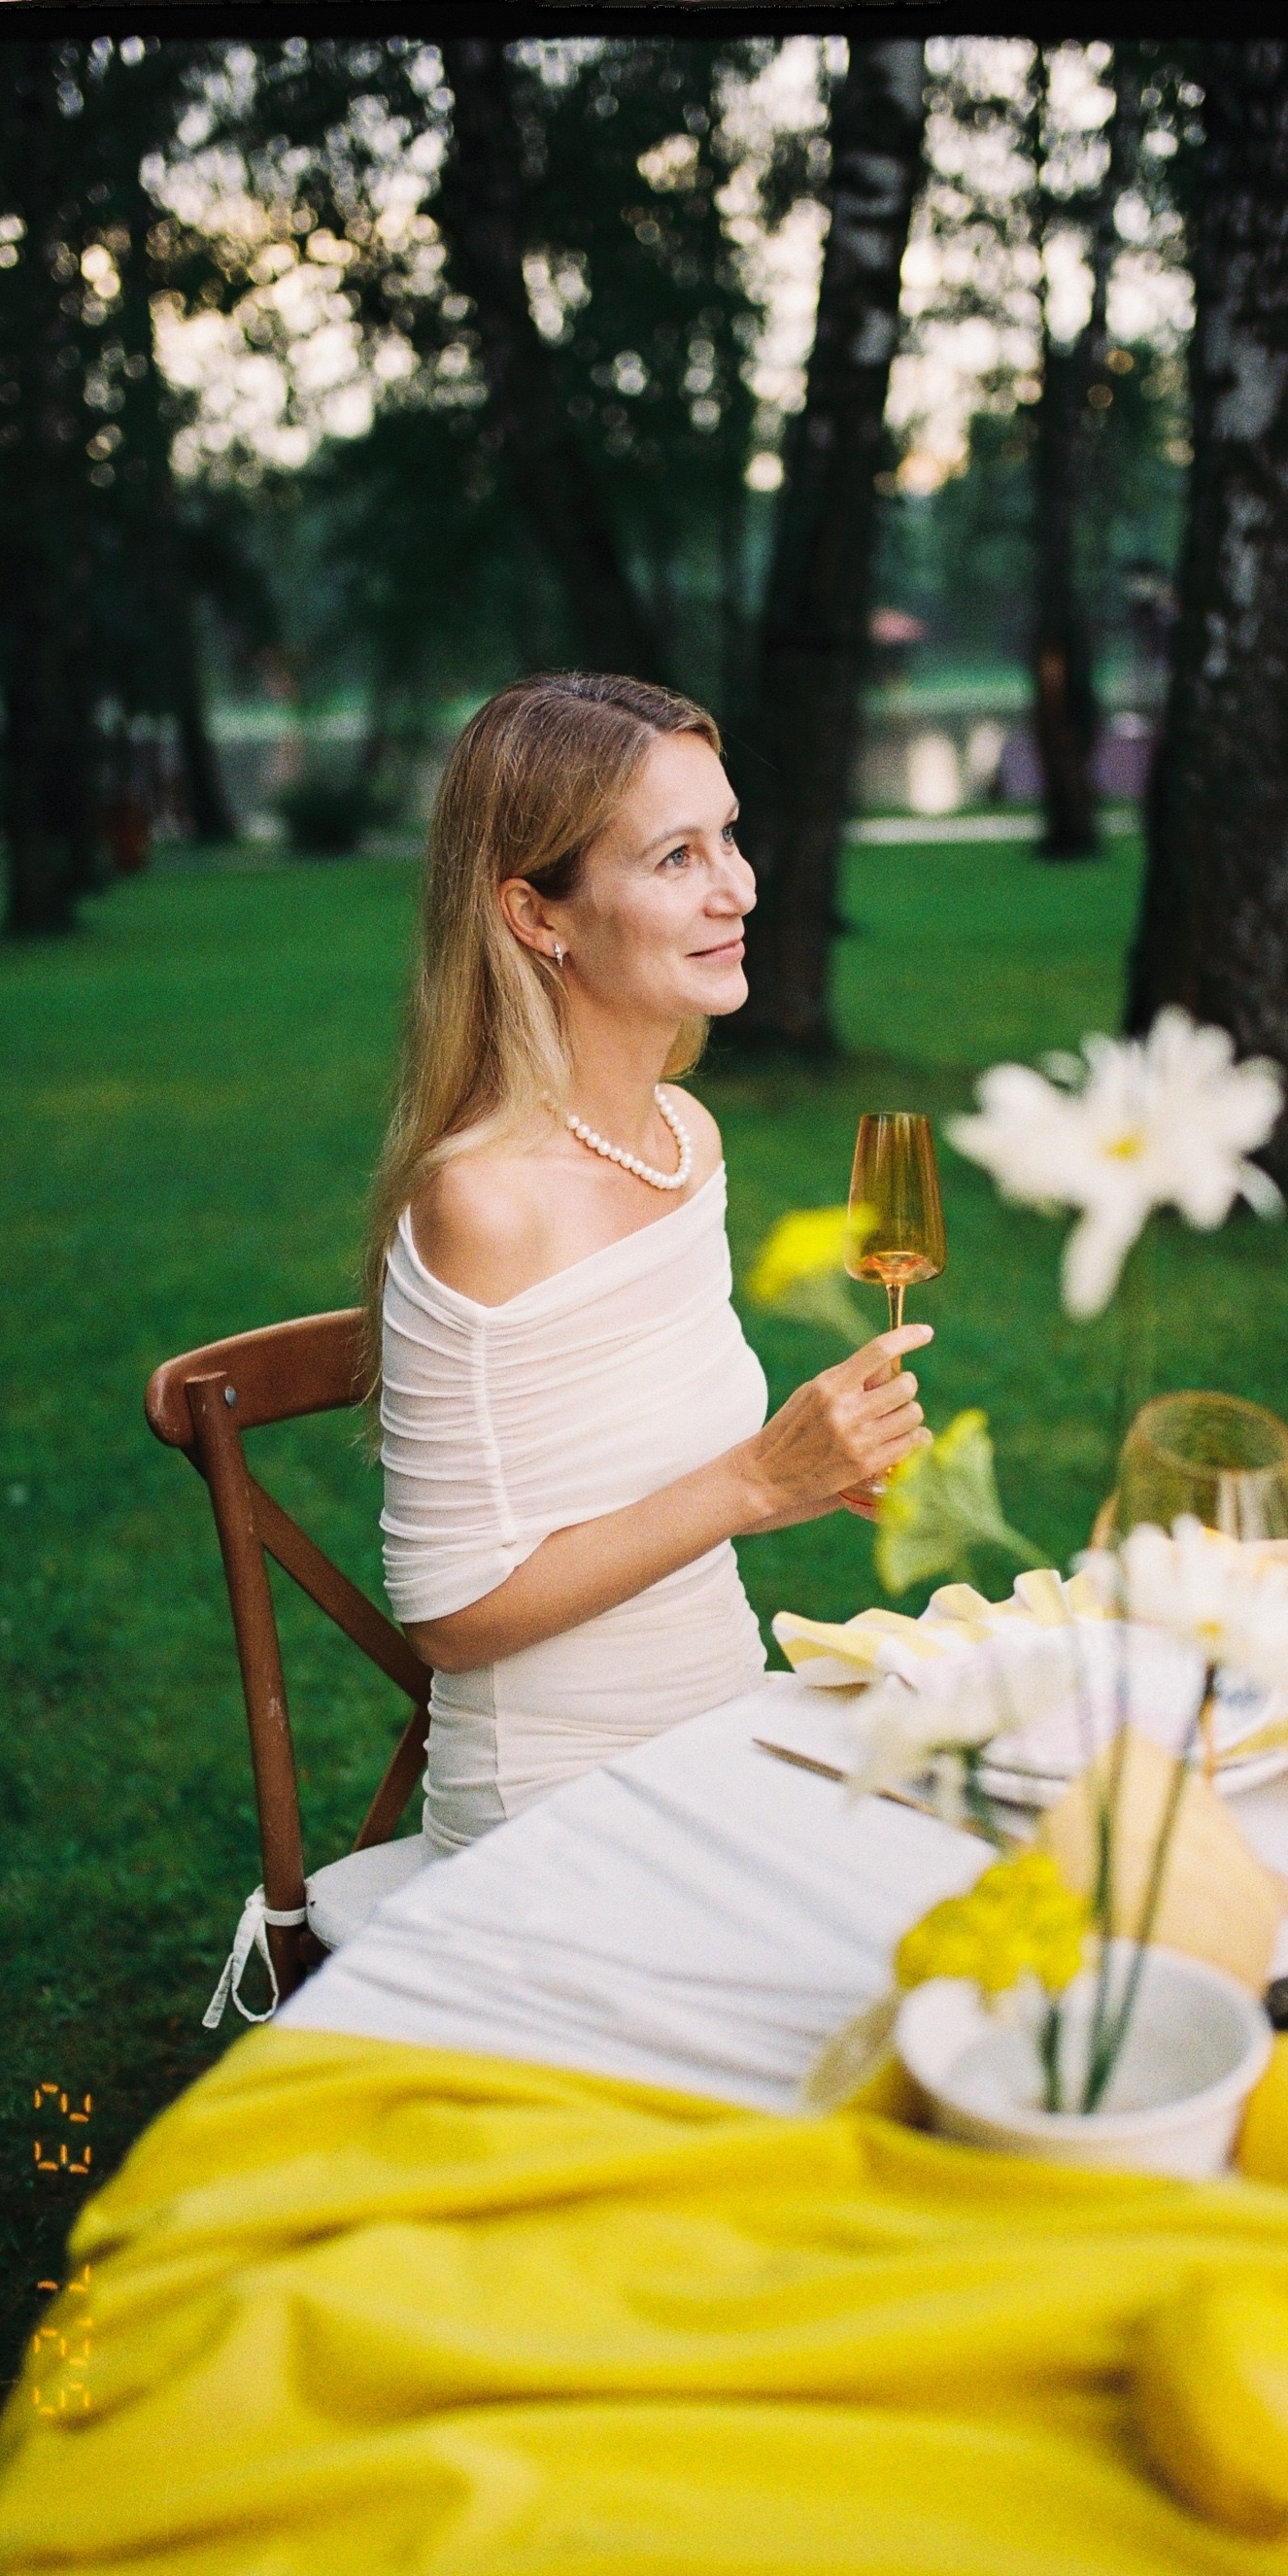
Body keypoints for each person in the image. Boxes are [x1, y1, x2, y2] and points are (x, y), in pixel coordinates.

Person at [364, 671, 932, 1855]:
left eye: (727, 836)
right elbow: (449, 1619)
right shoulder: (483, 1204)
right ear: (537, 916)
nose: (738, 888)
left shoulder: (684, 1139)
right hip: (556, 1816)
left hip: (723, 1737)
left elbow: (637, 1494)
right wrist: (757, 1480)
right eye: (675, 858)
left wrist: (812, 1474)